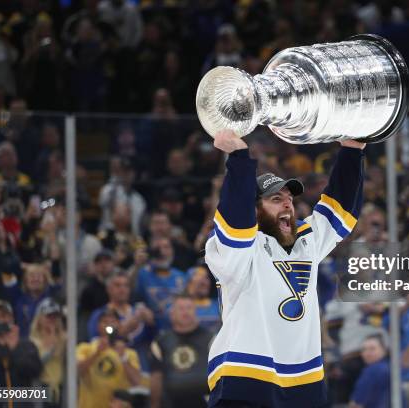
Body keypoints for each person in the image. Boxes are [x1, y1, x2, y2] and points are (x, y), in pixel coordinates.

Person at [205, 130, 365, 407]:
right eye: (276, 199)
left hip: (304, 381)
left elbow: (340, 210)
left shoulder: (307, 240)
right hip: (244, 373)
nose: (288, 205)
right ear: (255, 211)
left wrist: (352, 151)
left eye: (289, 199)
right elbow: (235, 221)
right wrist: (239, 158)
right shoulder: (237, 248)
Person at [150, 295, 214, 408]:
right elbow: (156, 378)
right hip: (171, 403)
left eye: (189, 308)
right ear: (172, 313)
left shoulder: (212, 339)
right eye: (181, 308)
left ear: (196, 311)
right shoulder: (160, 342)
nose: (185, 312)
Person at [77, 309, 142, 408]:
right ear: (98, 326)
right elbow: (77, 371)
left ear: (119, 325)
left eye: (113, 322)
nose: (109, 325)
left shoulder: (128, 353)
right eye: (105, 322)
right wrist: (96, 353)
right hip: (89, 405)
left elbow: (137, 382)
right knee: (46, 398)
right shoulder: (85, 348)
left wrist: (123, 357)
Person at [0, 299, 43, 389]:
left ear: (12, 318)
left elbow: (34, 372)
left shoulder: (26, 345)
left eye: (4, 316)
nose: (0, 320)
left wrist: (15, 348)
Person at [29, 298, 66, 406]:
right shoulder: (33, 341)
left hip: (60, 386)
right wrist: (50, 349)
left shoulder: (64, 339)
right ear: (39, 318)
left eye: (55, 316)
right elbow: (35, 366)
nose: (52, 319)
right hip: (41, 386)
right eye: (48, 316)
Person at [349, 334, 393, 408]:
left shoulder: (372, 370)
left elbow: (356, 404)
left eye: (372, 349)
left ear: (384, 350)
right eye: (364, 349)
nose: (367, 353)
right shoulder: (391, 367)